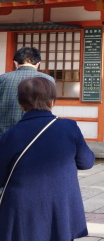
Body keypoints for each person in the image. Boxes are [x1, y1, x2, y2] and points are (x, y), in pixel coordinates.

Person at [0, 77, 95, 241]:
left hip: (21, 208)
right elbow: (87, 162)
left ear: (21, 104)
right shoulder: (69, 127)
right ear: (52, 101)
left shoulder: (9, 136)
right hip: (60, 204)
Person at [0, 46, 55, 136]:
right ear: (38, 63)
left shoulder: (2, 79)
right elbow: (50, 106)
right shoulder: (48, 80)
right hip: (36, 135)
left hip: (5, 135)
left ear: (15, 63)